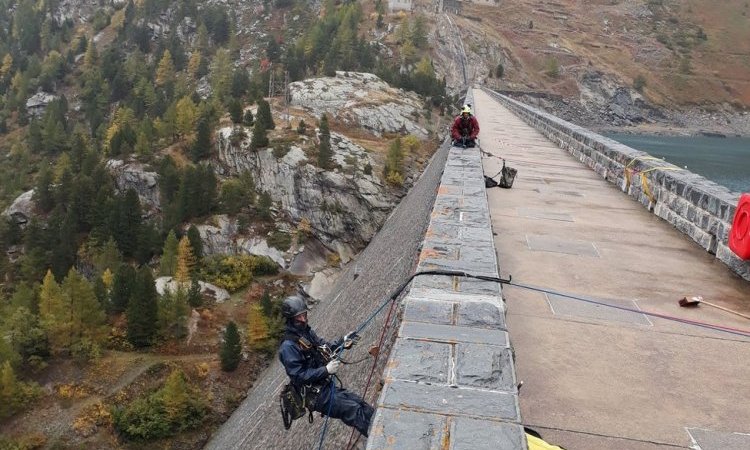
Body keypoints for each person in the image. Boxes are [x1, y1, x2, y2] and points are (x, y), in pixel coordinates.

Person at [278, 295, 374, 437]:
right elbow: (298, 376)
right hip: (315, 396)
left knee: (361, 405)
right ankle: (380, 439)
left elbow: (324, 347)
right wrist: (325, 370)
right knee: (353, 410)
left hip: (325, 387)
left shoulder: (306, 332)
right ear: (290, 319)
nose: (303, 319)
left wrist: (343, 342)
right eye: (298, 317)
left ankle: (383, 427)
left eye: (304, 314)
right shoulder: (288, 347)